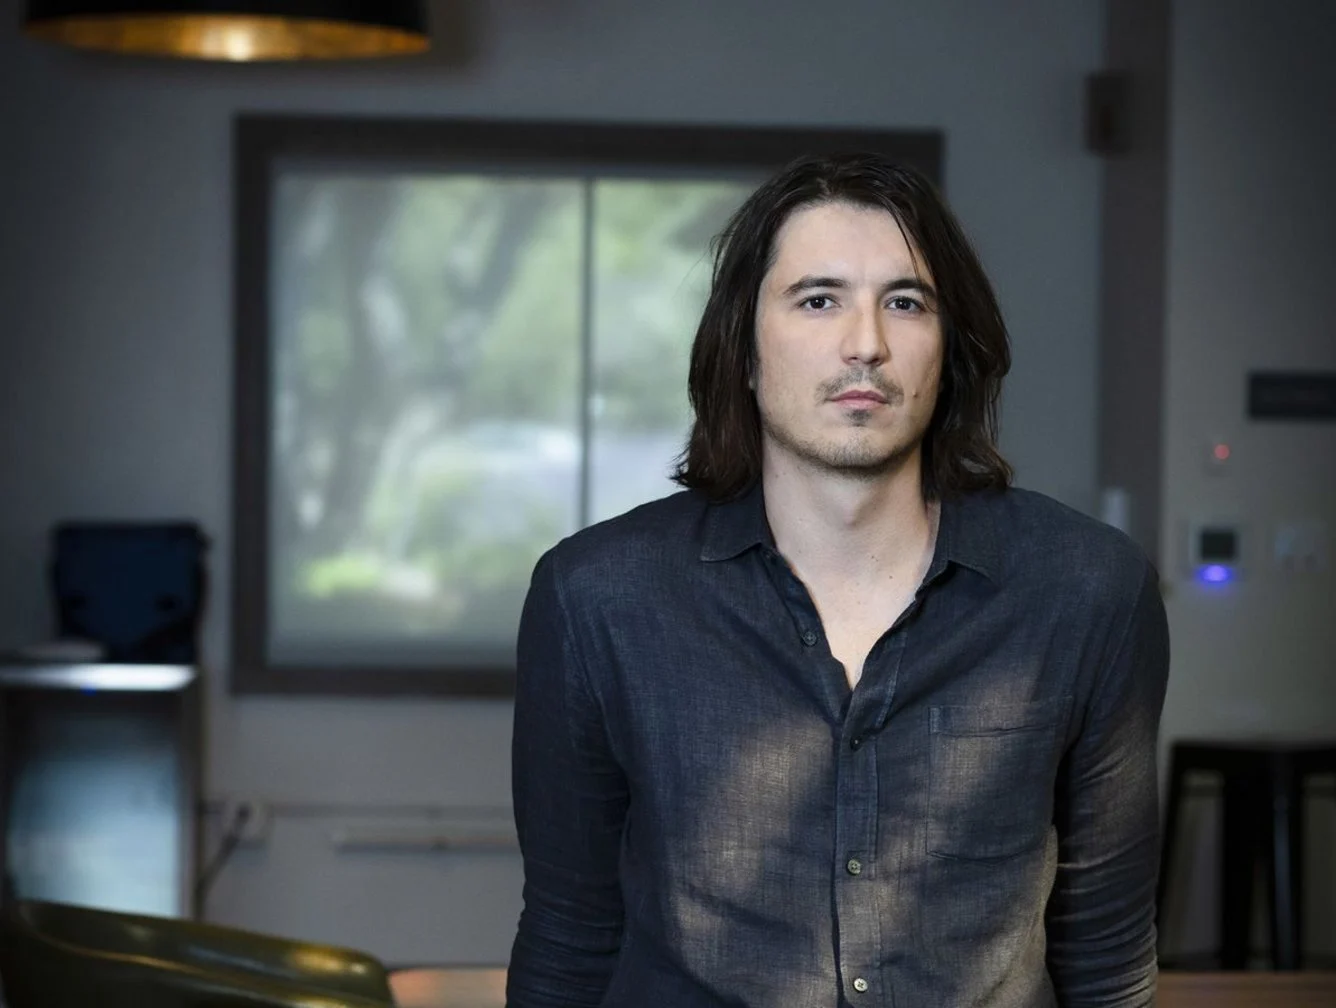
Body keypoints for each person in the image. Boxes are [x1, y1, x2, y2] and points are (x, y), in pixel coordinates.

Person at [506, 153, 1169, 1008]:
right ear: (744, 351)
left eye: (906, 302)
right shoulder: (597, 597)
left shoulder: (1086, 589)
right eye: (819, 300)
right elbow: (569, 937)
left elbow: (1107, 953)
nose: (866, 343)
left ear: (950, 351)